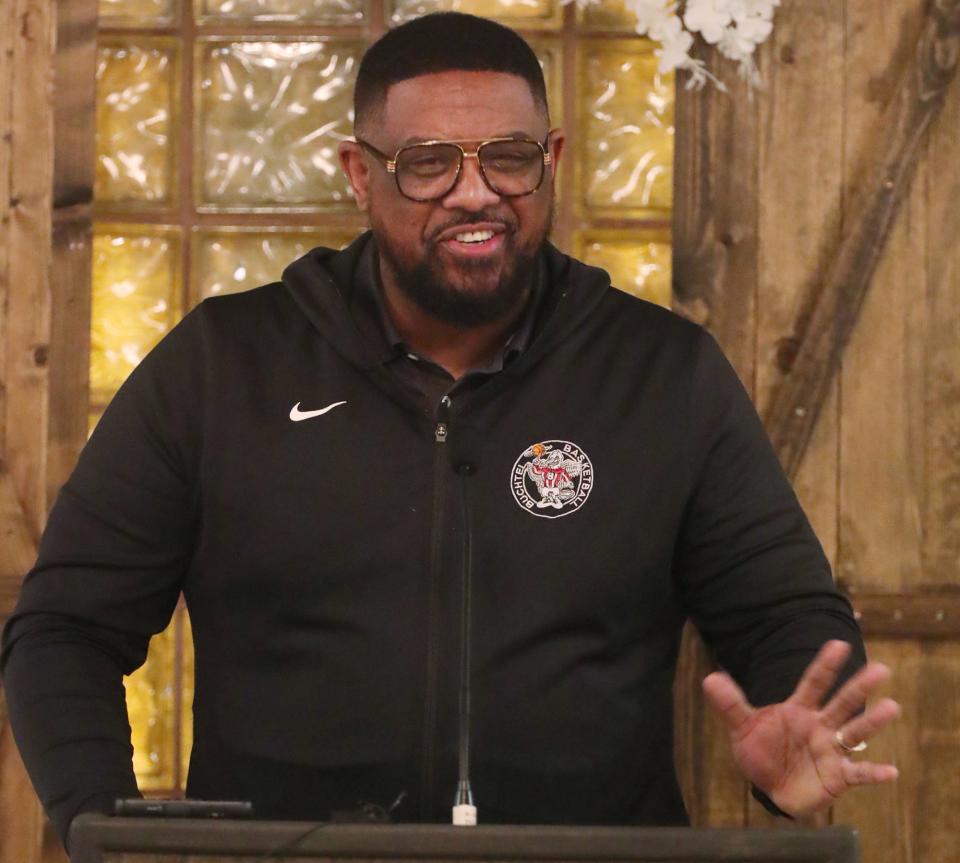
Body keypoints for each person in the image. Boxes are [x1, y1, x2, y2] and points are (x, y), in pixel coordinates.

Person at [1, 11, 899, 849]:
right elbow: (65, 628)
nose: (476, 194)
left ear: (550, 158)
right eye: (427, 163)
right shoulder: (220, 365)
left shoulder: (663, 374)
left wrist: (792, 755)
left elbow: (788, 616)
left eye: (507, 158)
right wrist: (107, 827)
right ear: (360, 173)